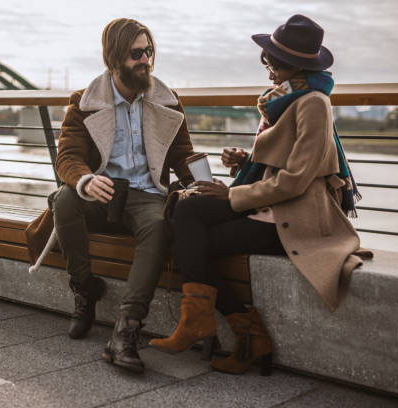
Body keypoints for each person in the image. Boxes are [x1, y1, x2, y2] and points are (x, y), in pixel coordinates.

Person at [149, 14, 365, 376]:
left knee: (194, 239)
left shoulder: (313, 104)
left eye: (272, 62)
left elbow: (296, 180)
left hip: (291, 218)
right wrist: (245, 162)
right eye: (266, 61)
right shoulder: (283, 98)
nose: (267, 68)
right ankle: (207, 324)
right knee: (185, 212)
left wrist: (230, 197)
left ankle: (242, 331)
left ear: (292, 64)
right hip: (267, 205)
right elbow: (284, 162)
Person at [25, 18, 195, 373]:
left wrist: (206, 182)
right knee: (65, 199)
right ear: (114, 57)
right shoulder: (84, 102)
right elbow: (67, 157)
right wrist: (85, 180)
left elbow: (183, 157)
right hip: (101, 191)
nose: (145, 60)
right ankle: (85, 290)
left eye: (149, 51)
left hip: (148, 194)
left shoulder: (167, 100)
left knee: (158, 225)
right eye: (136, 53)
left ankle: (126, 330)